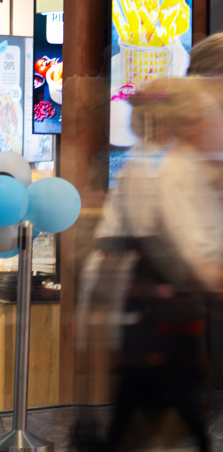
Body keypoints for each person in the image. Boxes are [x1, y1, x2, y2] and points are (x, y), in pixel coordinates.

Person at [86, 76, 223, 452]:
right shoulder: (165, 168)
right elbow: (192, 252)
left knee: (141, 409)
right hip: (163, 313)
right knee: (168, 409)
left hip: (155, 314)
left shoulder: (153, 164)